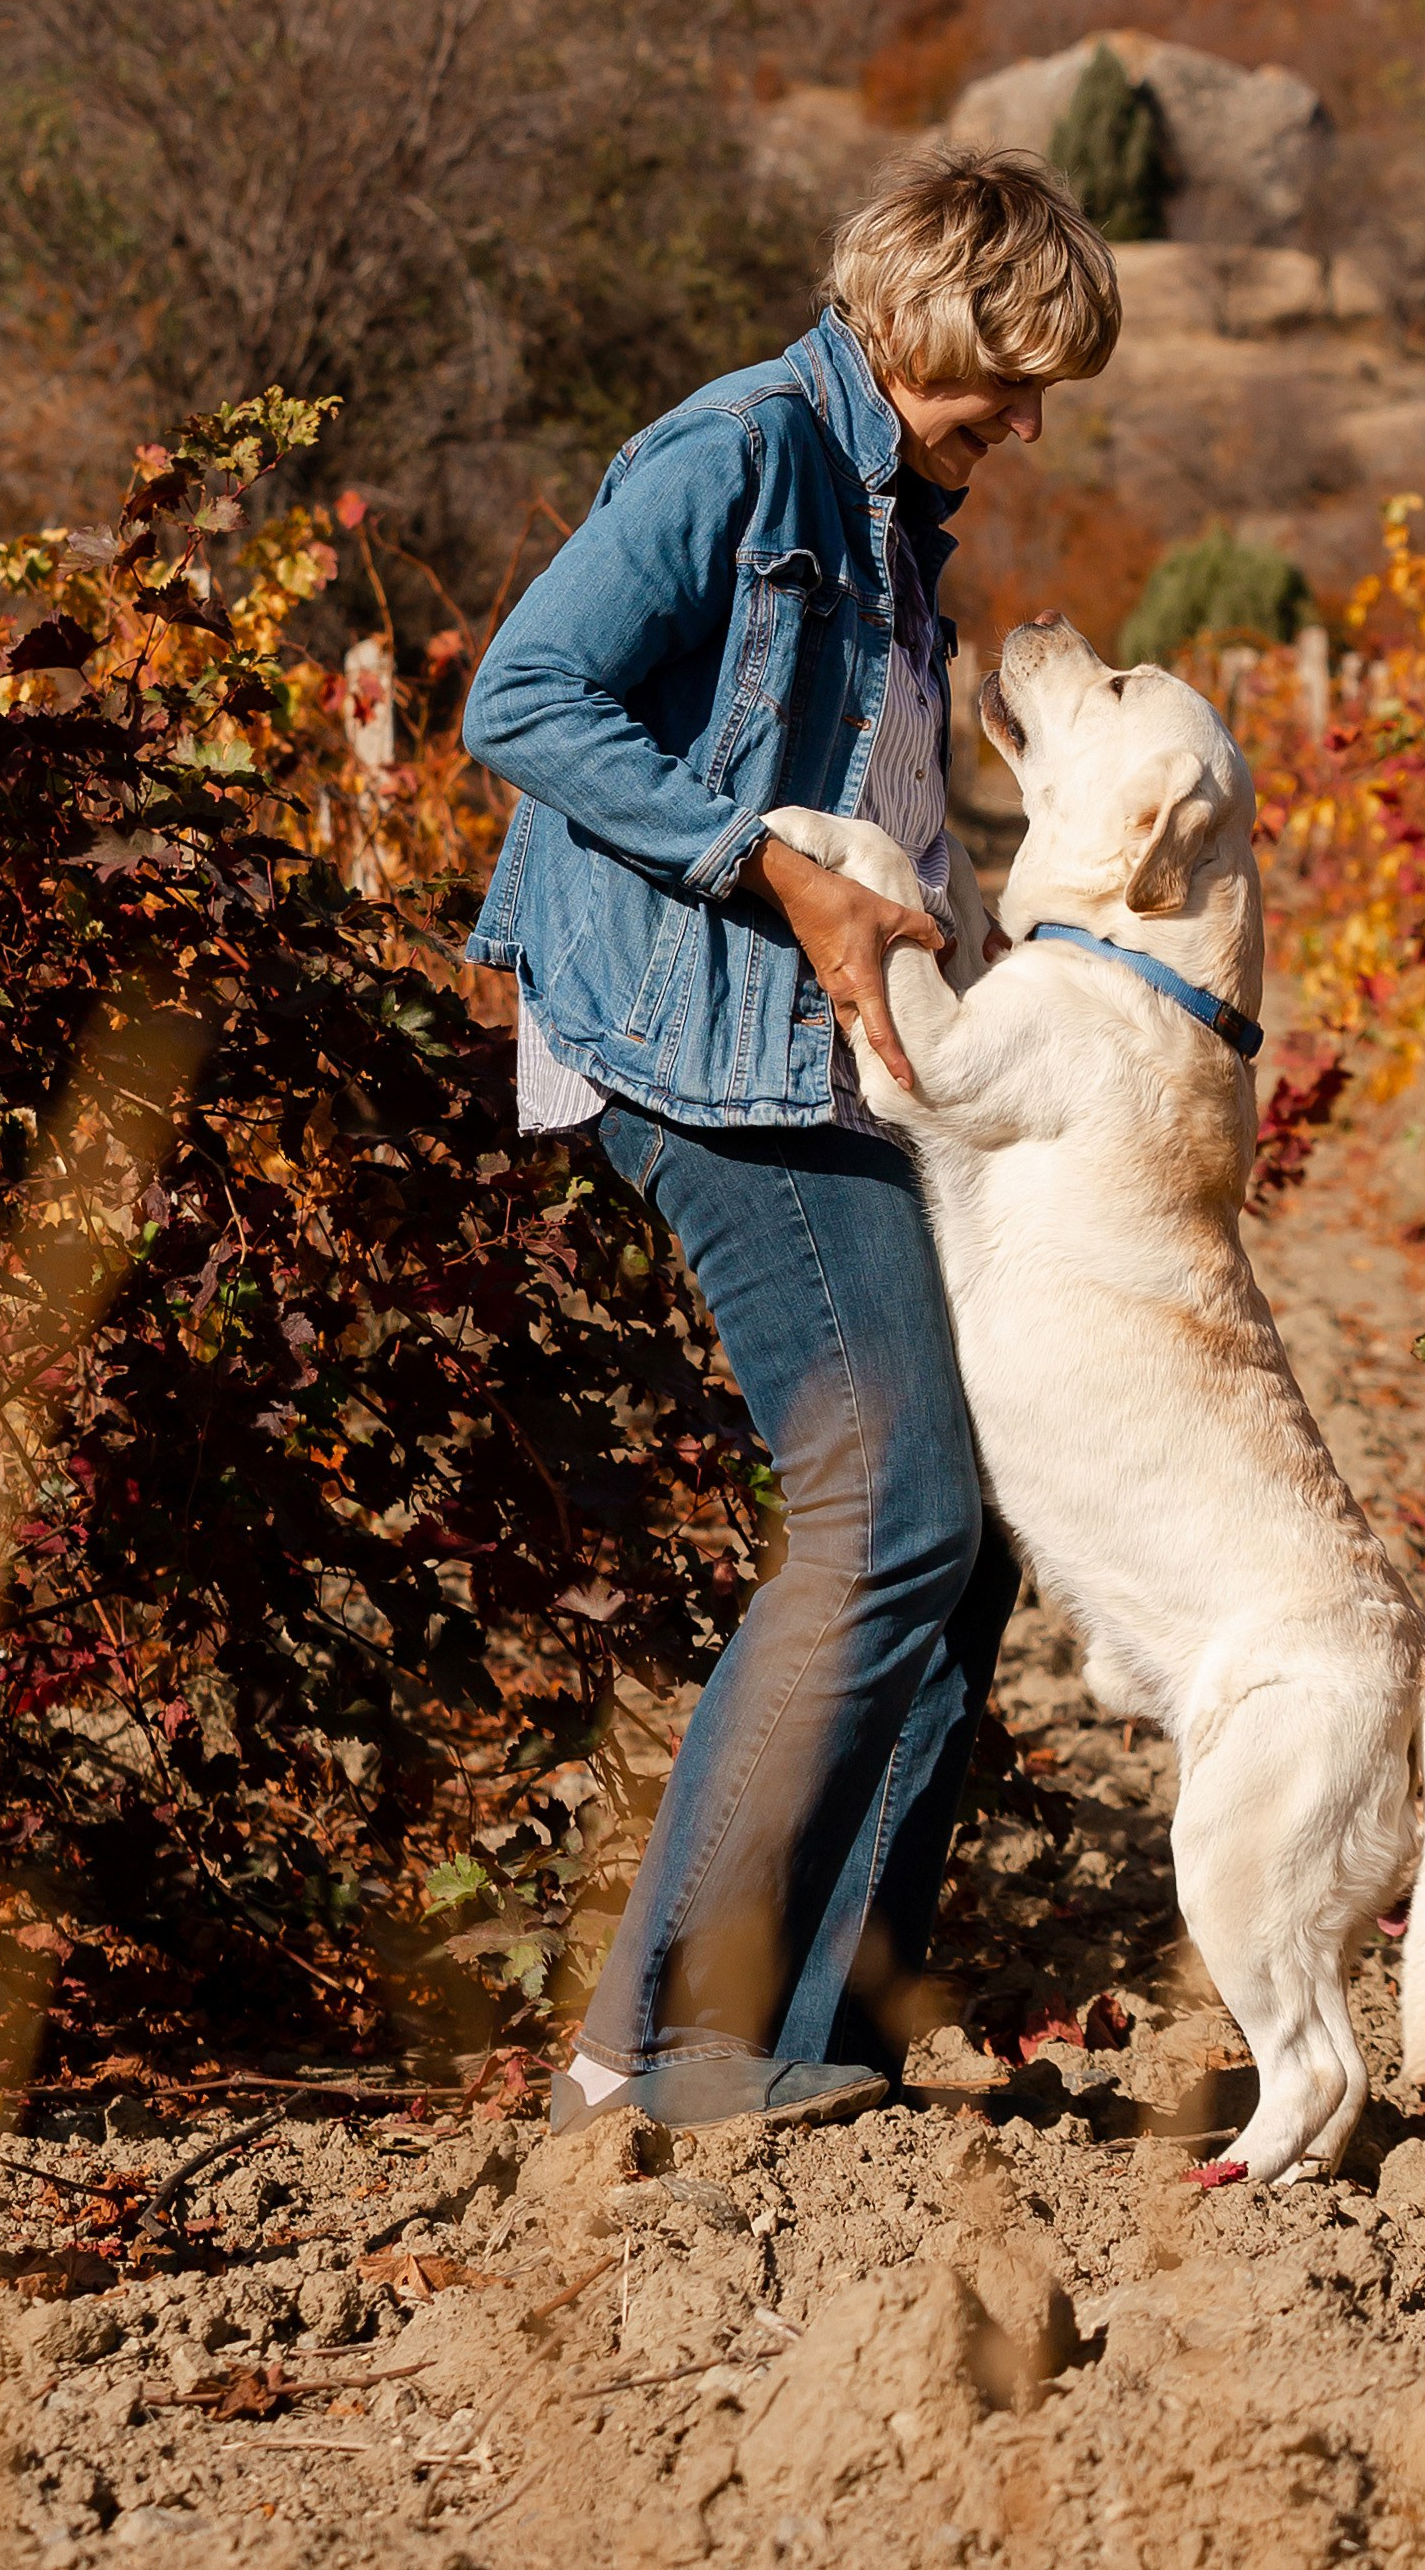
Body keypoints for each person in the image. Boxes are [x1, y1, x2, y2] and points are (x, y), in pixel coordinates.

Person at [462, 145, 1121, 2137]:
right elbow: (522, 689)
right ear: (917, 315)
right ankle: (654, 2042)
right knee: (889, 1497)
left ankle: (808, 2020)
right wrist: (763, 864)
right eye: (1003, 372)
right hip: (694, 1047)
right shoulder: (738, 451)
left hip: (820, 1053)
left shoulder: (887, 505)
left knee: (968, 1529)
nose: (1024, 418)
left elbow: (861, 778)